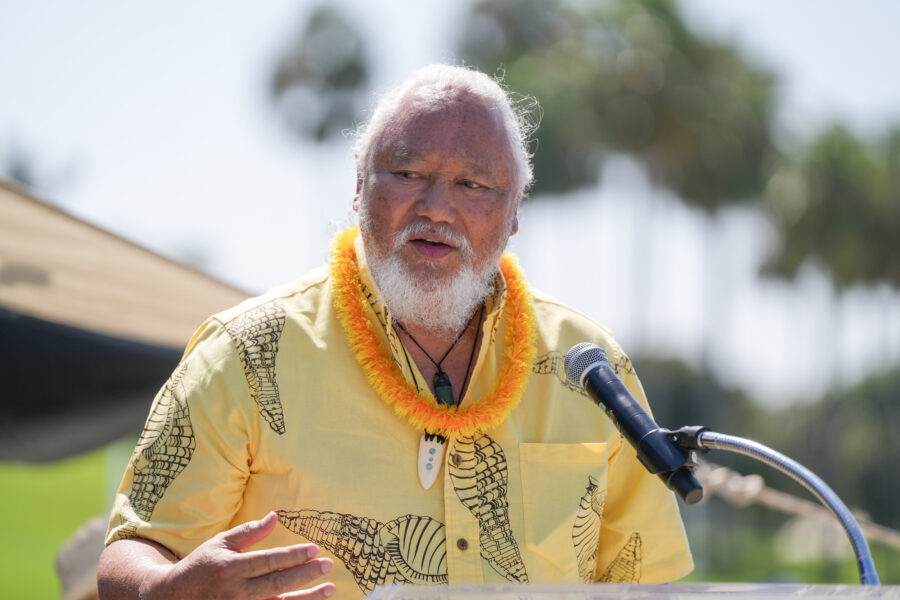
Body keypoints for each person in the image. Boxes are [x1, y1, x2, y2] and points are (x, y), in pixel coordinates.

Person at [97, 64, 693, 600]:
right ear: (359, 188)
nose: (436, 207)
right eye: (407, 173)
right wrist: (163, 590)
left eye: (473, 185)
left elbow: (647, 583)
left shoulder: (587, 366)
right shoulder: (244, 354)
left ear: (514, 214)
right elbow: (136, 548)